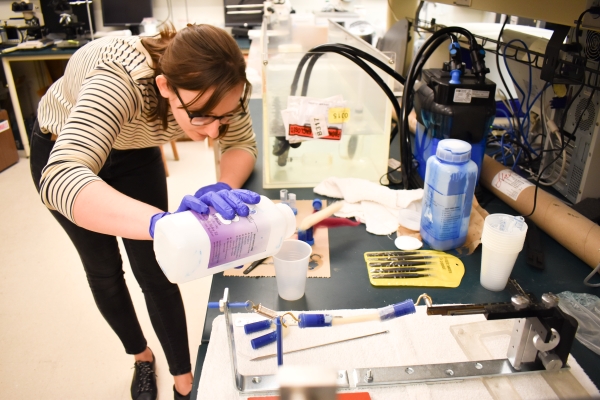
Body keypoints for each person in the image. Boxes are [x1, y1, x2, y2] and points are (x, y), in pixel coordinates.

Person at [29, 24, 260, 400]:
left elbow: (241, 143)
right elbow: (60, 178)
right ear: (166, 86)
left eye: (225, 116)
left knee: (156, 269)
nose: (215, 133)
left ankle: (184, 380)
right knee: (103, 270)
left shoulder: (223, 82)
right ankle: (141, 356)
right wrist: (161, 224)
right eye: (203, 116)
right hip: (65, 150)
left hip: (135, 150)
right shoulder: (119, 79)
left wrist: (225, 186)